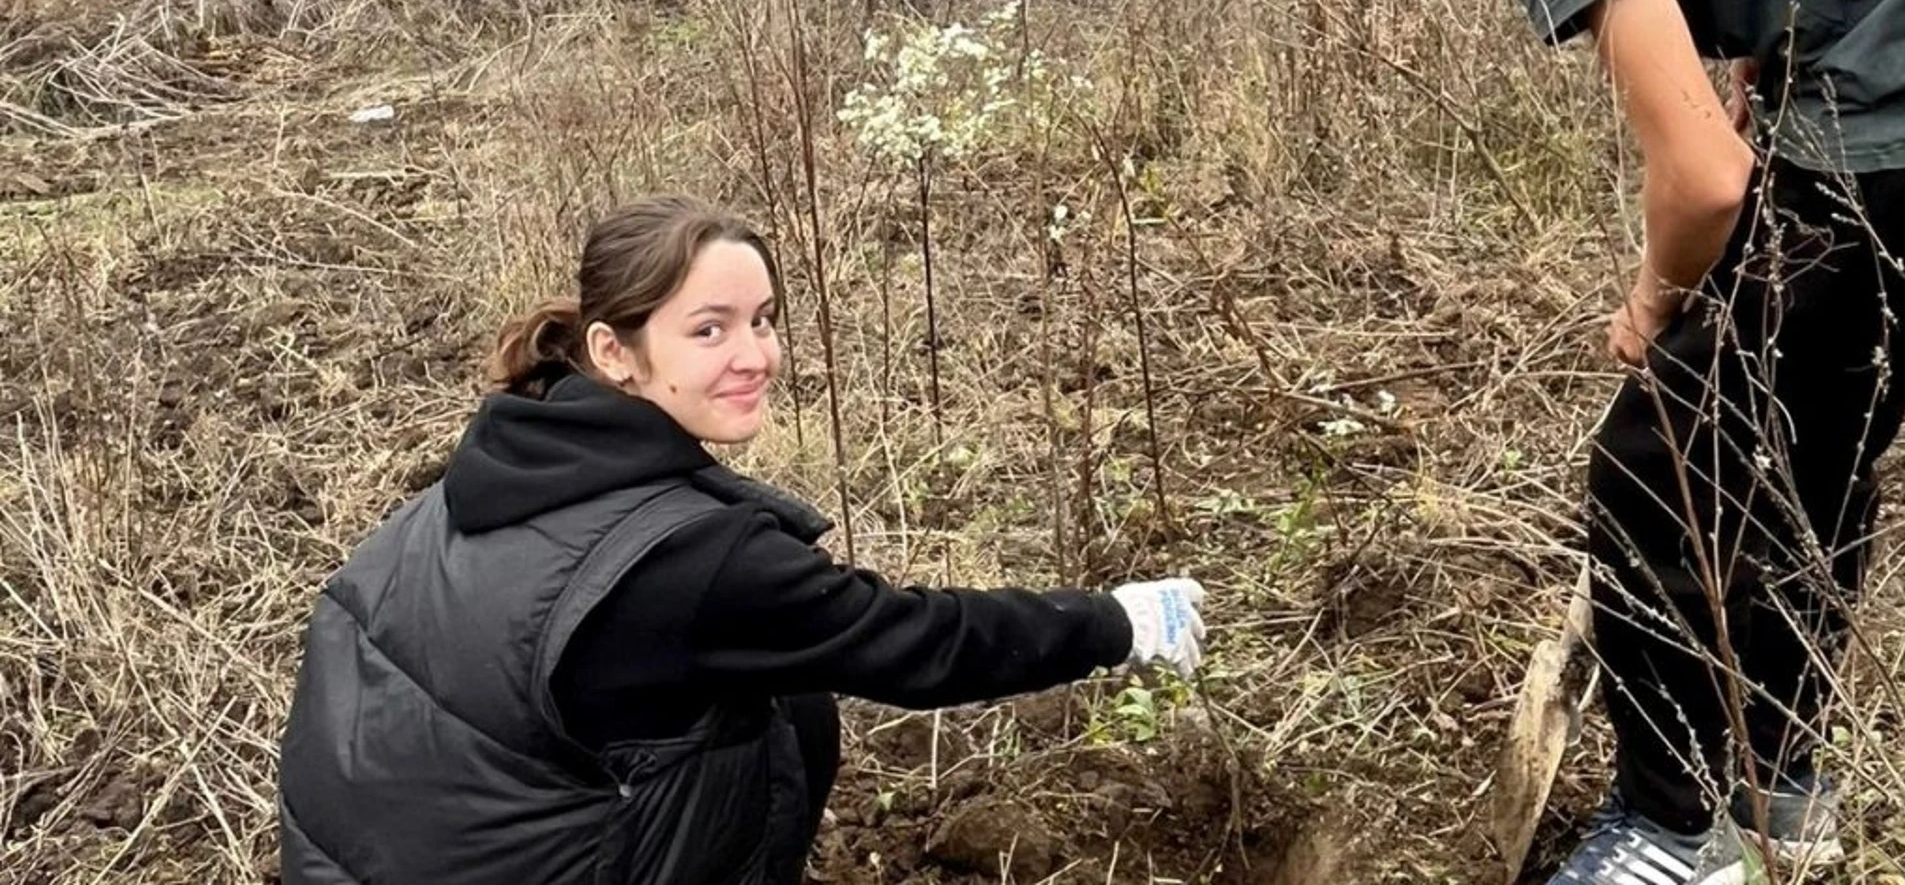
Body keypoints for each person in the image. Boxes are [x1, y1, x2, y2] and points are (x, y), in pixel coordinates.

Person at [1295, 0, 1905, 882]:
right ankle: (1783, 790)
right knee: (1811, 447)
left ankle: (1671, 831)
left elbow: (1707, 178)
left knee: (1654, 470)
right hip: (1878, 88)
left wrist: (1650, 300)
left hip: (1885, 132)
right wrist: (1781, 46)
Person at [276, 194, 1208, 885]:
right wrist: (1114, 623)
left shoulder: (504, 462)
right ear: (615, 351)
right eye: (709, 328)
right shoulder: (694, 560)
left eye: (763, 321)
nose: (755, 354)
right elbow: (916, 642)